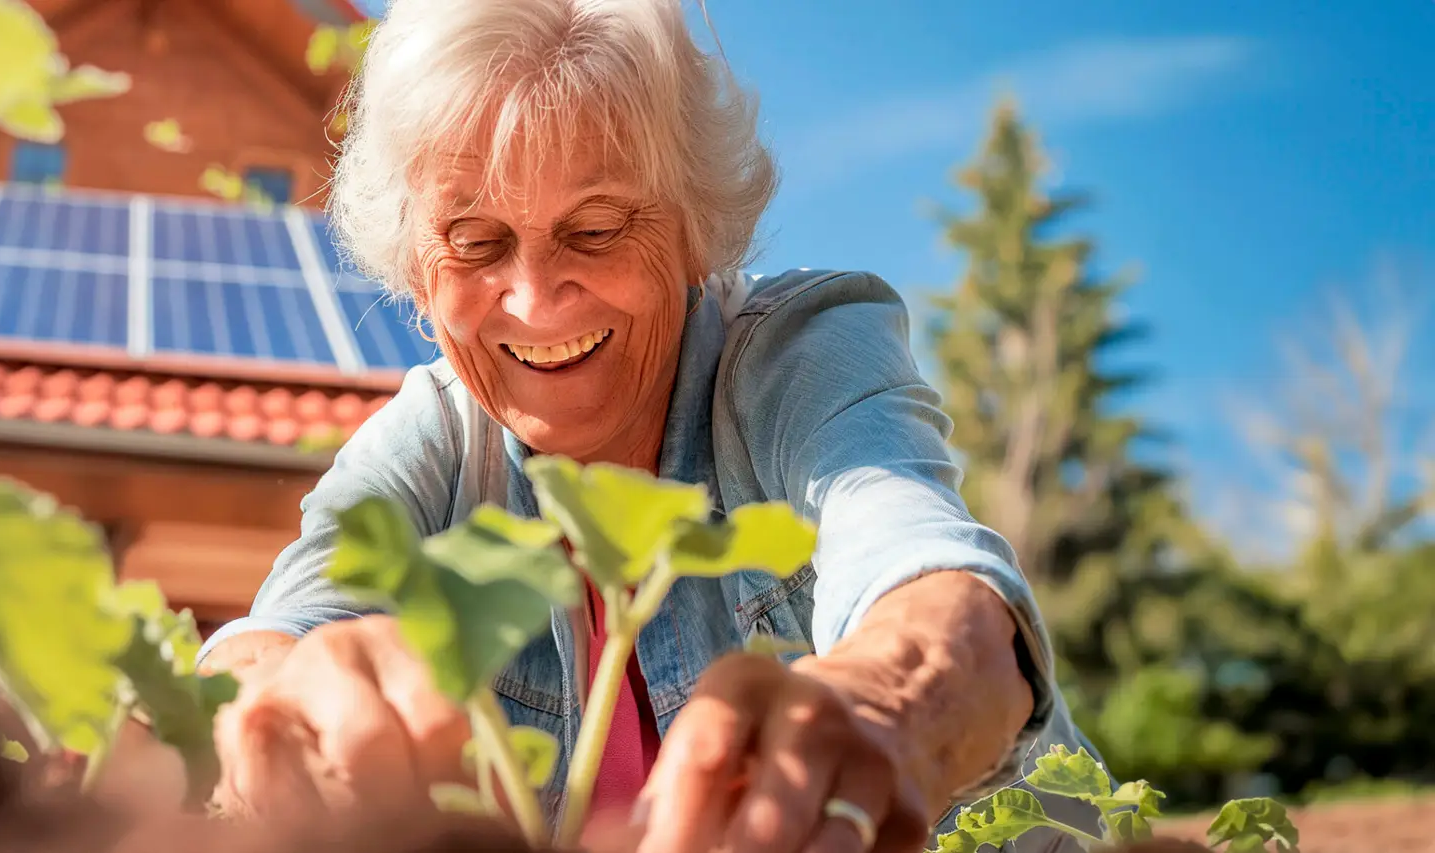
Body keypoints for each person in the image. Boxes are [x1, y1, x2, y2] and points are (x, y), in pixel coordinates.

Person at [197, 0, 1105, 850]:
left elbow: (917, 557)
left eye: (594, 229)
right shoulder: (431, 439)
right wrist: (281, 694)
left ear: (694, 228)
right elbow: (277, 634)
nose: (535, 298)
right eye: (476, 241)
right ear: (417, 260)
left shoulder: (799, 355)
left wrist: (881, 703)